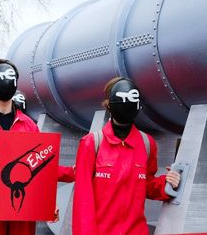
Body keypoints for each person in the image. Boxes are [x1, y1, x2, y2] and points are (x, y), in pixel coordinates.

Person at [0, 59, 74, 235]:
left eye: (11, 78)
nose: (6, 82)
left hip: (21, 213)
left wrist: (49, 200)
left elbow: (41, 167)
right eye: (1, 78)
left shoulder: (29, 125)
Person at [72, 77, 181, 235]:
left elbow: (147, 186)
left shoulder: (147, 144)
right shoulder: (91, 143)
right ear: (109, 105)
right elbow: (83, 200)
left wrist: (168, 183)